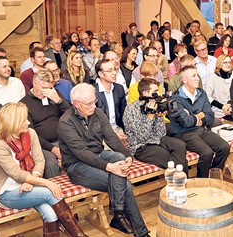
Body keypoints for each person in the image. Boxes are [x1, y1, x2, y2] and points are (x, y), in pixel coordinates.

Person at [58, 83, 151, 236]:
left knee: (119, 156)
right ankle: (139, 230)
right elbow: (82, 153)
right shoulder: (65, 122)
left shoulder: (99, 113)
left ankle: (118, 214)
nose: (93, 106)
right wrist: (109, 167)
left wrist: (128, 156)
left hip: (99, 156)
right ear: (76, 104)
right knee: (125, 185)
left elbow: (112, 139)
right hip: (77, 165)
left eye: (94, 101)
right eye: (89, 103)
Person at [0, 103, 88, 237]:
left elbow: (40, 160)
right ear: (13, 123)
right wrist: (46, 182)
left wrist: (33, 180)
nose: (28, 122)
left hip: (31, 186)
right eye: (23, 120)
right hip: (7, 192)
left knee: (51, 214)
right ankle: (79, 235)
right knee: (50, 192)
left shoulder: (30, 133)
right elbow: (16, 173)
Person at [168, 66, 230, 178]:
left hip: (200, 130)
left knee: (224, 147)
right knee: (207, 153)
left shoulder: (202, 93)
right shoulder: (175, 98)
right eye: (193, 76)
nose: (197, 78)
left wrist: (195, 118)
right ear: (184, 80)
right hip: (183, 133)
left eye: (197, 75)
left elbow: (210, 117)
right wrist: (200, 115)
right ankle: (203, 181)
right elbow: (184, 122)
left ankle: (214, 176)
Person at [124, 78, 188, 173]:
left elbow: (161, 133)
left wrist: (159, 117)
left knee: (180, 145)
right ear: (145, 93)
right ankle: (180, 182)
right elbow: (141, 137)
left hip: (157, 139)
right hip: (141, 146)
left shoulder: (155, 104)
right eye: (155, 91)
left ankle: (181, 182)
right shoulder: (131, 109)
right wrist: (150, 117)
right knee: (172, 159)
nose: (158, 94)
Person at [20, 69, 70, 178]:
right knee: (51, 163)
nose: (46, 91)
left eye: (50, 88)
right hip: (41, 144)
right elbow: (30, 133)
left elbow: (71, 117)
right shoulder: (24, 104)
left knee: (79, 153)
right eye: (43, 88)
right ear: (34, 83)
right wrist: (53, 149)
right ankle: (54, 192)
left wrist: (58, 100)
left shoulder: (54, 95)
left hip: (63, 139)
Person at [95, 59, 128, 146]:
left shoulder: (119, 88)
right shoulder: (94, 91)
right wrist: (112, 135)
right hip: (101, 131)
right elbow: (94, 121)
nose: (114, 73)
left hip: (117, 127)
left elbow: (124, 112)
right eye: (110, 71)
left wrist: (126, 131)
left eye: (114, 69)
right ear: (101, 74)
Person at [205, 54, 233, 120]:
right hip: (218, 112)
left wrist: (229, 106)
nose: (228, 64)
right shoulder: (212, 78)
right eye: (225, 62)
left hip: (232, 110)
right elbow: (207, 96)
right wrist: (222, 106)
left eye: (229, 62)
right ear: (219, 63)